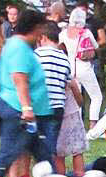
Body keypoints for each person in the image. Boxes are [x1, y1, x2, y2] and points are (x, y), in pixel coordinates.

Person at [0, 8, 53, 177]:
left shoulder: (12, 43)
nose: (42, 33)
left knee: (43, 152)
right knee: (8, 152)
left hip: (26, 109)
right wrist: (27, 108)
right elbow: (20, 78)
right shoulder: (19, 48)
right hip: (20, 110)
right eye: (41, 28)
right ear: (34, 28)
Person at [60, 7, 102, 128]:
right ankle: (93, 125)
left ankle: (77, 126)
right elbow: (96, 46)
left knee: (75, 99)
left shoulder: (63, 33)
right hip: (84, 66)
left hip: (71, 68)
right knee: (96, 96)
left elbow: (58, 47)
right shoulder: (86, 32)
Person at [35, 21, 72, 159]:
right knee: (51, 144)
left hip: (40, 105)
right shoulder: (64, 58)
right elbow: (66, 83)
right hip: (58, 106)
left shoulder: (37, 55)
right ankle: (49, 170)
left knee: (34, 143)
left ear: (43, 37)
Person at [54, 73, 86, 175]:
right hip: (72, 115)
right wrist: (80, 103)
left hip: (57, 116)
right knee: (77, 151)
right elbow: (79, 97)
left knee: (59, 154)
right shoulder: (67, 75)